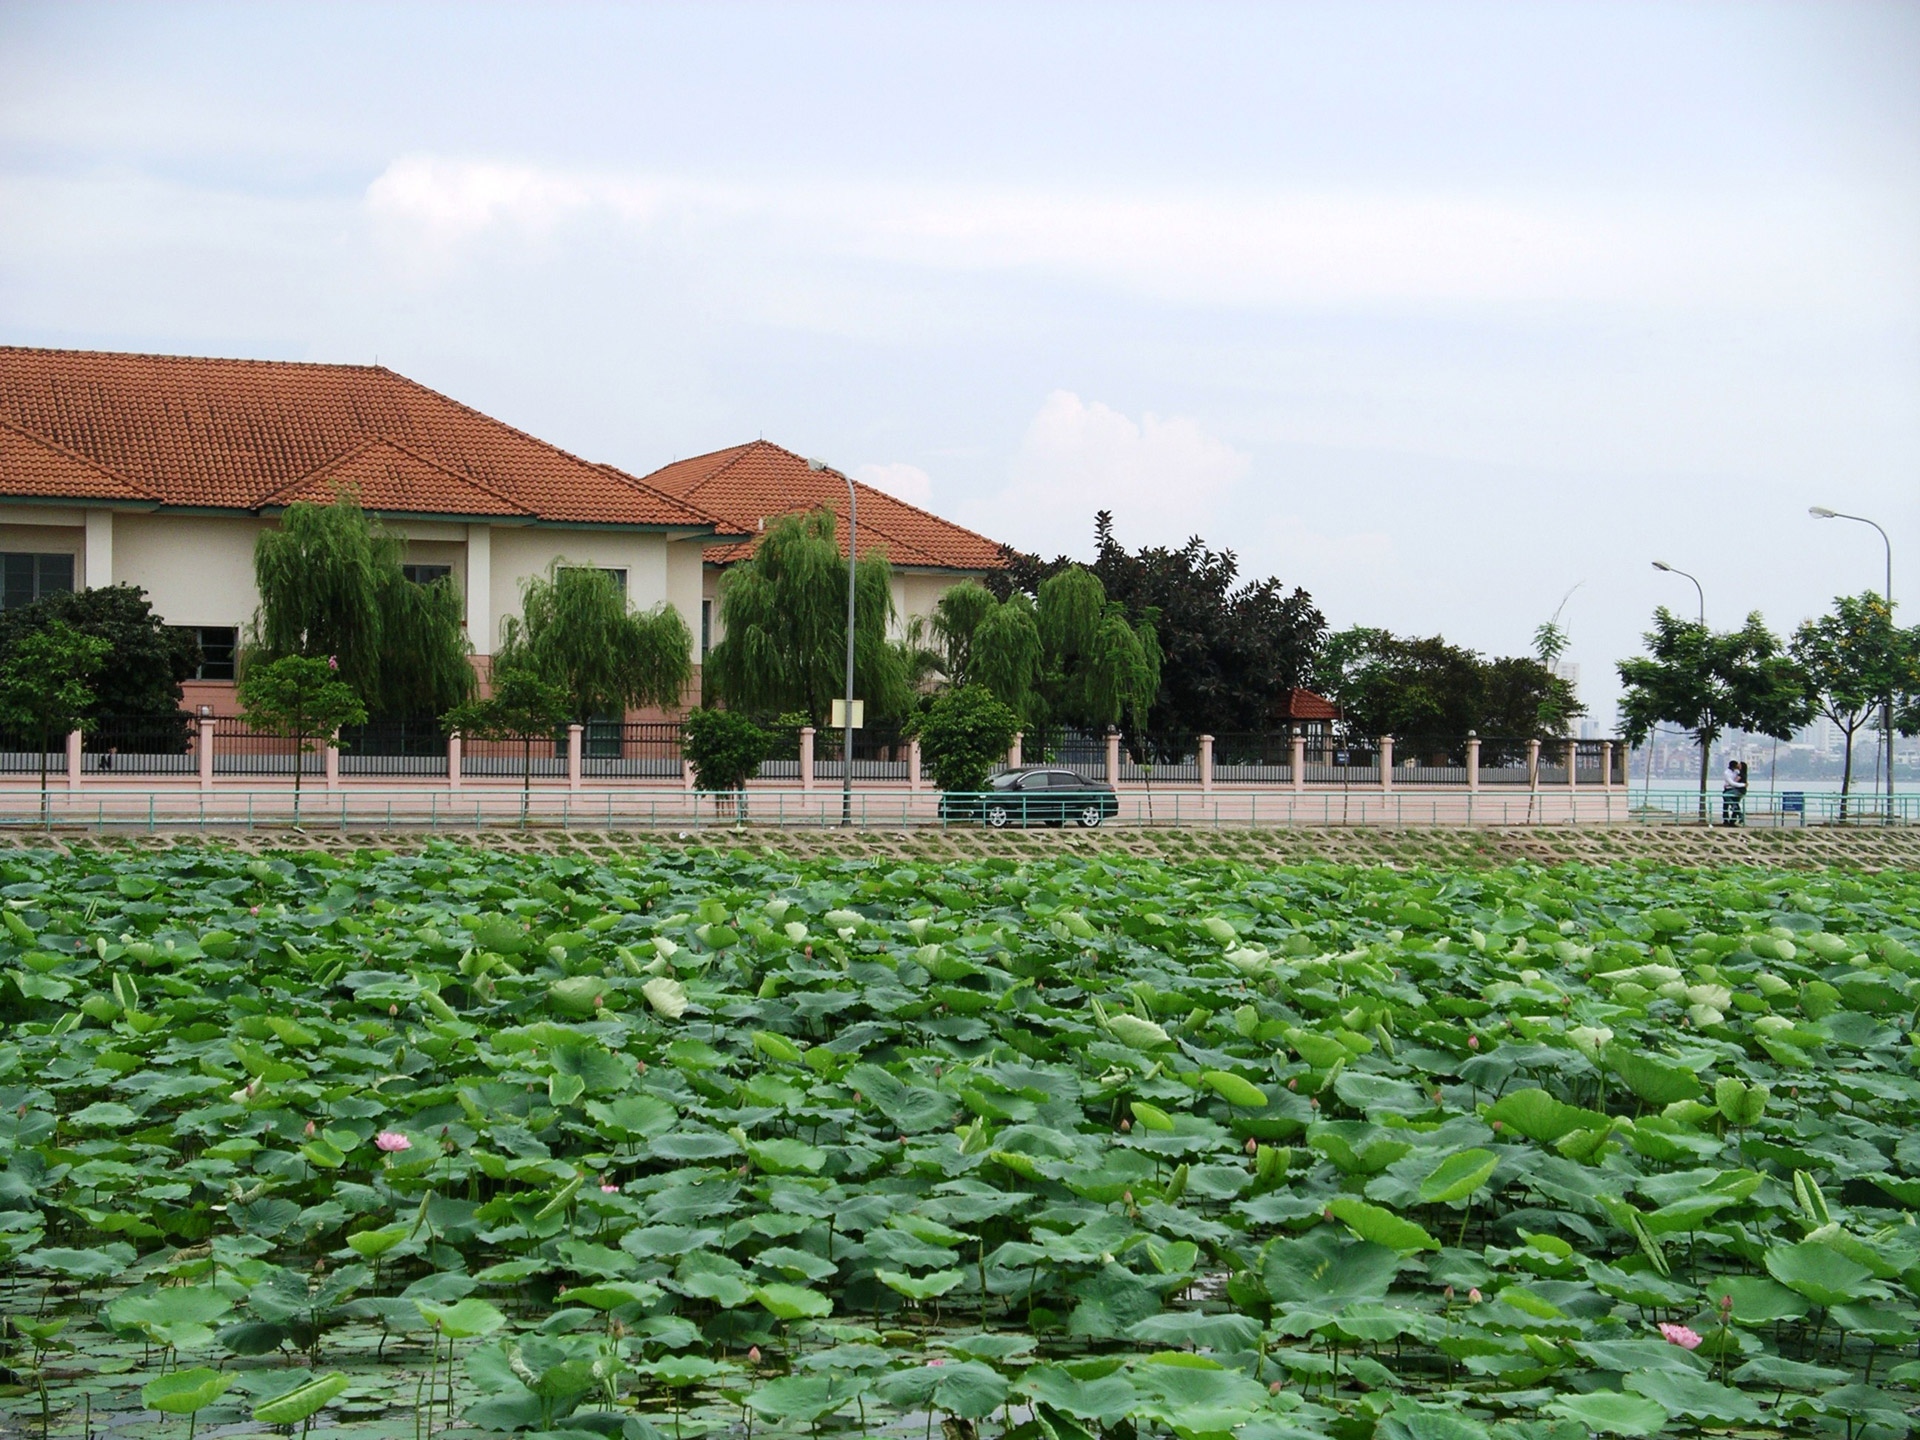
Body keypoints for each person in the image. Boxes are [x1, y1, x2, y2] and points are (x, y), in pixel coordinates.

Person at [1722, 758, 1747, 827]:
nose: (1738, 766)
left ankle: (1733, 821)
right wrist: (1743, 785)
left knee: (1735, 805)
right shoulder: (1727, 773)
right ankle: (1726, 820)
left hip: (1735, 790)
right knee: (1726, 806)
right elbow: (1732, 783)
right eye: (1737, 765)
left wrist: (1742, 784)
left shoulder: (1737, 772)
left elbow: (1736, 781)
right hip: (1729, 789)